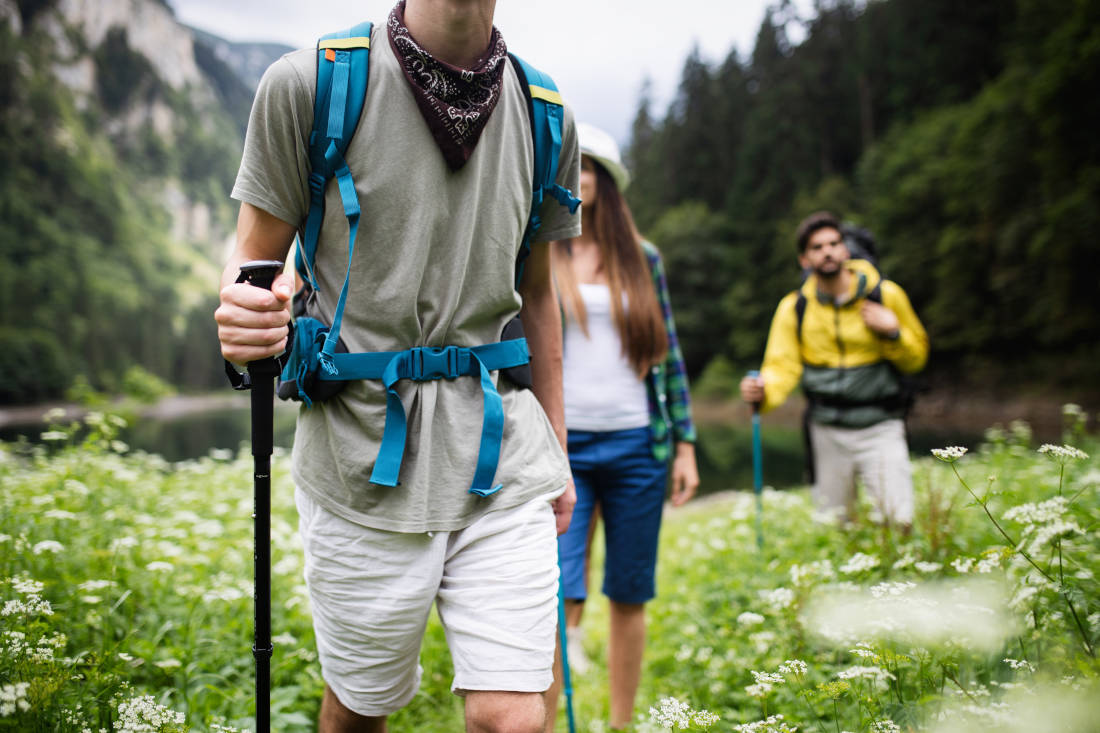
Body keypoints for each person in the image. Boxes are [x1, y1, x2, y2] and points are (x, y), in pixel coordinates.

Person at [215, 2, 580, 731]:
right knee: (360, 707)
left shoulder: (547, 115)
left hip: (501, 446)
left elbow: (538, 296)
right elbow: (253, 261)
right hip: (359, 453)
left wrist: (559, 450)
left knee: (515, 715)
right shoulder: (310, 85)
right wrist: (242, 317)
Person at [545, 123, 700, 731]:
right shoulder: (539, 253)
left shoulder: (644, 258)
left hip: (641, 443)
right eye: (571, 167)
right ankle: (549, 721)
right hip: (564, 449)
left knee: (630, 592)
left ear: (606, 184)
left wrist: (685, 443)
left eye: (590, 169)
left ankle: (620, 723)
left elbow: (669, 355)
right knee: (560, 592)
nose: (579, 178)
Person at [740, 211, 928, 529]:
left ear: (845, 250)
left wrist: (893, 332)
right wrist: (763, 392)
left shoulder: (885, 295)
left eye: (833, 243)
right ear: (804, 259)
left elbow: (917, 358)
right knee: (834, 525)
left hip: (880, 424)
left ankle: (902, 575)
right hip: (826, 431)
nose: (827, 251)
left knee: (899, 519)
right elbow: (781, 366)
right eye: (817, 247)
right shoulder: (795, 308)